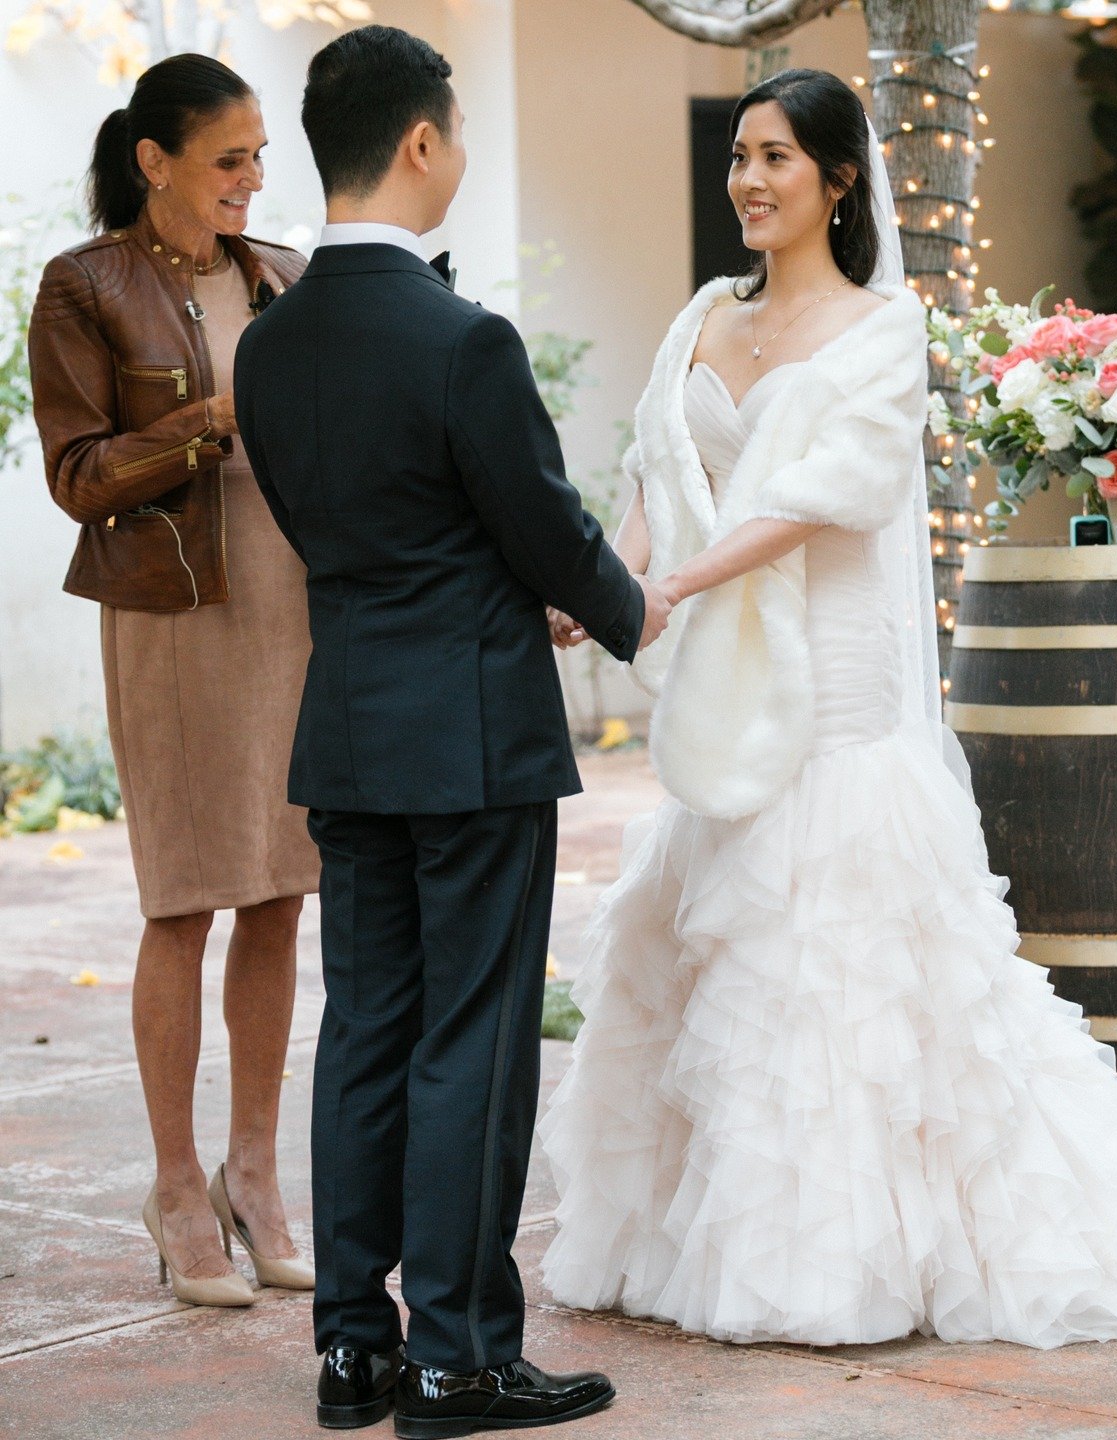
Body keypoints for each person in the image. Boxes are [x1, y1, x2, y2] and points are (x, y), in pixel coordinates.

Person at [539, 68, 1117, 1350]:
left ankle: (839, 1256)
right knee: (715, 961)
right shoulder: (700, 320)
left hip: (840, 700)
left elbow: (821, 493)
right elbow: (656, 471)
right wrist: (606, 583)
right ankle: (696, 1227)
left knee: (839, 974)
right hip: (726, 703)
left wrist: (673, 584)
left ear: (840, 179)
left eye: (778, 157)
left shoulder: (884, 327)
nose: (748, 178)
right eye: (739, 154)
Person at [234, 25, 671, 1435]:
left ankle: (355, 1349)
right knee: (473, 1043)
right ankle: (462, 1353)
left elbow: (334, 531)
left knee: (365, 1028)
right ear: (419, 144)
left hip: (350, 726)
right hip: (472, 730)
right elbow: (536, 517)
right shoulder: (459, 335)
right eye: (460, 134)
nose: (465, 156)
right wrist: (626, 608)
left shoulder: (271, 339)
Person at [28, 54, 318, 1310]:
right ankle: (176, 1183)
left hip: (293, 611)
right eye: (227, 159)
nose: (252, 180)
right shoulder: (83, 287)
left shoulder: (286, 280)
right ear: (154, 161)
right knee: (186, 899)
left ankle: (257, 1170)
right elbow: (80, 473)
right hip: (175, 613)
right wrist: (211, 418)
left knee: (280, 892)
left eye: (260, 156)